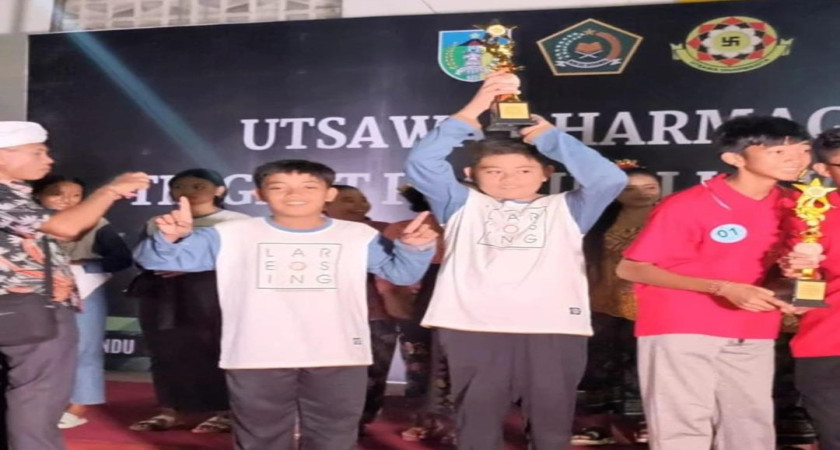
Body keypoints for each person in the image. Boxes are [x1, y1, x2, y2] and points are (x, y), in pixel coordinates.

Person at [134, 159, 437, 450]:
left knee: (334, 435)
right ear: (259, 194)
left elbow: (402, 273)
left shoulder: (357, 235)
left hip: (339, 352)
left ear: (329, 194)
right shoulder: (230, 233)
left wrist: (415, 248)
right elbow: (157, 260)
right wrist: (168, 239)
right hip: (256, 353)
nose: (294, 195)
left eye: (309, 187)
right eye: (279, 187)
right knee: (260, 435)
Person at [405, 71, 627, 449]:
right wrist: (477, 107)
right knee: (477, 421)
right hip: (472, 325)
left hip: (553, 326)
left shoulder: (568, 208)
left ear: (546, 173)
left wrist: (548, 136)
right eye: (495, 171)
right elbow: (422, 162)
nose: (509, 179)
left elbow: (609, 180)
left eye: (524, 170)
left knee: (551, 424)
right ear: (470, 174)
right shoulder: (460, 204)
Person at [616, 115, 812, 450]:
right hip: (682, 326)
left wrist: (797, 278)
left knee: (751, 423)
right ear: (735, 158)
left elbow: (785, 268)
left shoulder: (796, 205)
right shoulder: (689, 203)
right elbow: (632, 269)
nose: (795, 158)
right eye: (778, 152)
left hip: (754, 326)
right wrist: (721, 288)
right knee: (682, 423)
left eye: (803, 149)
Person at [0, 121, 148, 450]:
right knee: (39, 395)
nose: (48, 159)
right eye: (37, 152)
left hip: (24, 308)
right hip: (27, 309)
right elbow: (67, 228)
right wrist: (109, 191)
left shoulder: (17, 196)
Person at [127, 168, 248, 433]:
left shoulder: (238, 222)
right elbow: (144, 255)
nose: (187, 192)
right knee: (164, 350)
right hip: (163, 293)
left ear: (220, 190)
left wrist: (192, 266)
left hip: (212, 294)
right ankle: (170, 411)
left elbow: (245, 262)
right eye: (179, 187)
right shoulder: (158, 221)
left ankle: (225, 412)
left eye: (197, 186)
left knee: (215, 349)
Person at [31, 175, 133, 429]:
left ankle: (78, 405)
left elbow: (121, 258)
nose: (67, 200)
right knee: (34, 349)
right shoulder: (23, 220)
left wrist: (84, 265)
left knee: (85, 346)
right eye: (58, 194)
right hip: (32, 289)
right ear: (38, 195)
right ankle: (39, 403)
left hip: (84, 288)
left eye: (75, 195)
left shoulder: (96, 222)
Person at [573, 161, 661, 446]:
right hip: (603, 302)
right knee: (598, 364)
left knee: (647, 366)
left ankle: (648, 422)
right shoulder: (598, 220)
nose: (641, 194)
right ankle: (596, 424)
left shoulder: (669, 218)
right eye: (630, 189)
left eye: (649, 187)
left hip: (652, 305)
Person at [779, 127, 840, 450]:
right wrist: (802, 285)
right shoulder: (812, 211)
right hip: (829, 342)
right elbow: (808, 280)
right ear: (823, 169)